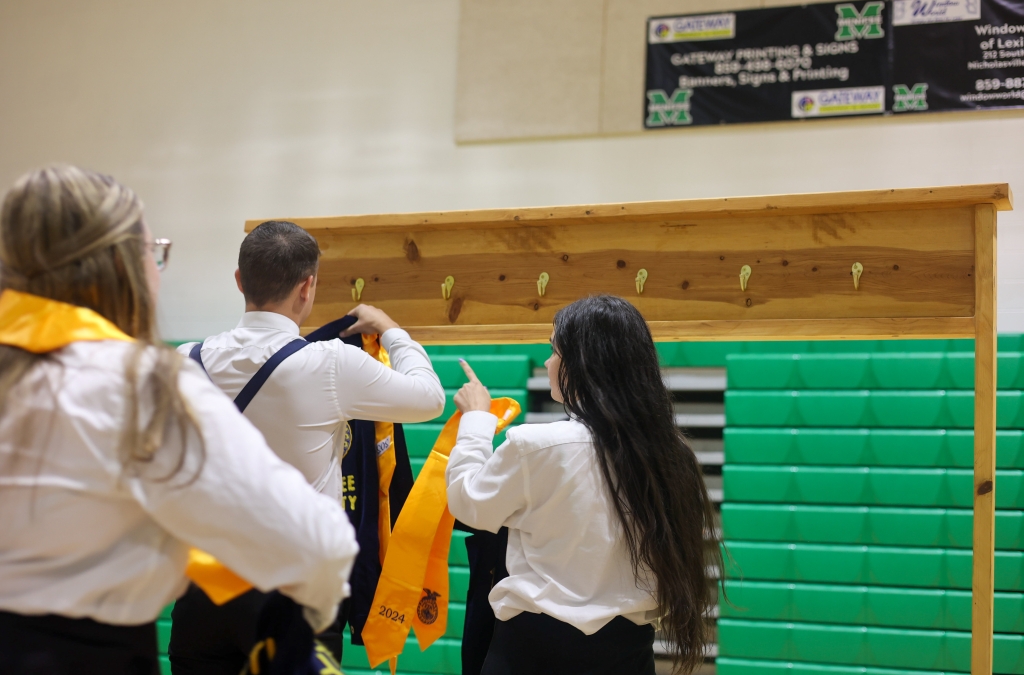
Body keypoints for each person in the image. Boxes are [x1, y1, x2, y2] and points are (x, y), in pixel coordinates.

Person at [0, 166, 357, 675]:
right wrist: (306, 620)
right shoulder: (141, 386)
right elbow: (319, 546)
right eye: (154, 252)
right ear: (120, 266)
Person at [171, 220, 445, 671]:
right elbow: (429, 399)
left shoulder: (184, 359)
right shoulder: (331, 363)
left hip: (203, 589)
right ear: (307, 287)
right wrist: (392, 331)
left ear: (239, 281)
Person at [447, 295, 723, 675]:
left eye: (553, 350)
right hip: (629, 653)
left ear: (581, 363)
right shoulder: (673, 455)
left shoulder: (537, 445)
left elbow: (467, 503)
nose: (547, 363)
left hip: (532, 652)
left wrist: (476, 421)